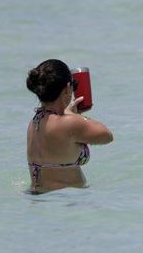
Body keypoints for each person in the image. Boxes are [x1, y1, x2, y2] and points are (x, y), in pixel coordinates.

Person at [25, 59, 113, 193]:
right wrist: (76, 116)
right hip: (66, 200)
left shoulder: (34, 123)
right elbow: (107, 135)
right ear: (67, 88)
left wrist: (69, 114)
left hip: (37, 197)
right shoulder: (70, 123)